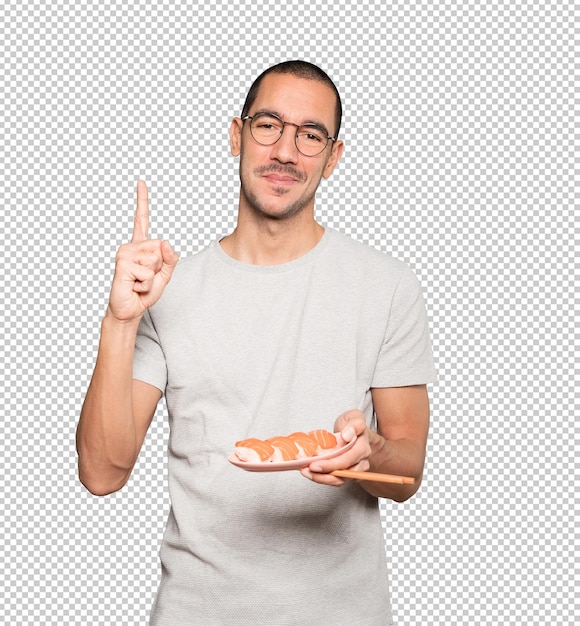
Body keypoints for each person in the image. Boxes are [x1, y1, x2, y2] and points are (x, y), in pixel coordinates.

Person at [76, 60, 437, 625]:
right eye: (268, 125)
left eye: (310, 135)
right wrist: (119, 321)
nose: (286, 151)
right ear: (236, 136)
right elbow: (102, 474)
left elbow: (407, 474)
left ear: (334, 157)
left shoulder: (387, 285)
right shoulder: (169, 290)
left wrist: (371, 452)